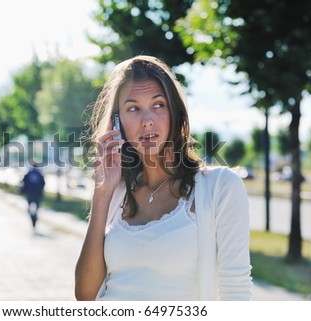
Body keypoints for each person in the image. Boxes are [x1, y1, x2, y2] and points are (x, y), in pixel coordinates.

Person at [75, 55, 253, 301]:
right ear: (118, 124)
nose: (147, 121)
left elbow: (237, 292)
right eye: (133, 108)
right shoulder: (116, 193)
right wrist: (102, 193)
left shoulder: (220, 187)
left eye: (158, 105)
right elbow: (85, 295)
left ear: (175, 113)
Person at [20, 164, 45, 232]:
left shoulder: (29, 173)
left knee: (29, 209)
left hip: (30, 194)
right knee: (36, 209)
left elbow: (23, 182)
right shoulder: (40, 174)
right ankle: (34, 220)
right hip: (37, 194)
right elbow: (43, 183)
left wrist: (22, 191)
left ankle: (33, 218)